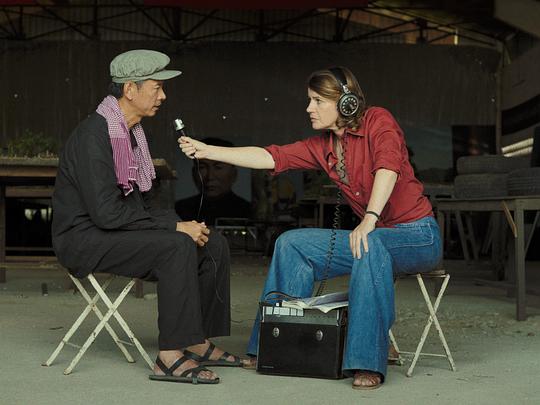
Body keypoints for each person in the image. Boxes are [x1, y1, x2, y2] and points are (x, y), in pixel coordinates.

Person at [179, 66, 442, 390]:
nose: (309, 108)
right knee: (292, 243)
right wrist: (207, 150)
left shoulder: (378, 120)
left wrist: (370, 218)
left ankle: (366, 360)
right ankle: (272, 347)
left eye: (317, 100)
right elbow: (271, 157)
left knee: (371, 243)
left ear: (345, 102)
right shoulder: (323, 146)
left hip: (417, 235)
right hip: (373, 237)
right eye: (309, 100)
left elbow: (388, 167)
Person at [52, 49, 247, 385]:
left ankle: (196, 341)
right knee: (176, 245)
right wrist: (175, 227)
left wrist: (188, 226)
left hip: (112, 230)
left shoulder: (132, 134)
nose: (163, 96)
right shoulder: (93, 136)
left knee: (211, 243)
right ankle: (169, 357)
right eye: (157, 87)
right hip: (83, 238)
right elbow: (107, 213)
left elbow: (142, 206)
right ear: (130, 89)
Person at [175, 137, 251, 226]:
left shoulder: (248, 211)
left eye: (218, 167)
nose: (210, 176)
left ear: (234, 173)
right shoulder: (180, 209)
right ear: (193, 173)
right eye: (202, 167)